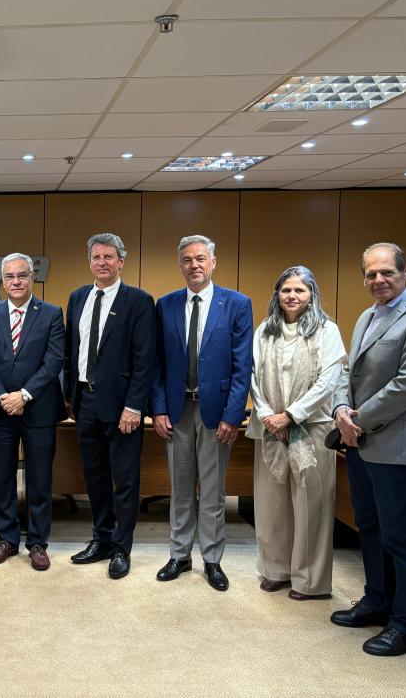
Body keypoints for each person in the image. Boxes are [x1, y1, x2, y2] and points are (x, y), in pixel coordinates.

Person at [330, 242, 406, 656]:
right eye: (370, 274)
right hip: (360, 443)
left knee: (401, 538)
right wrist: (342, 408)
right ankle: (377, 601)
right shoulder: (367, 315)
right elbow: (349, 370)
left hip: (398, 448)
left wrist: (356, 419)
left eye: (386, 273)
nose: (378, 280)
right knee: (370, 528)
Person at [151, 234, 252, 592]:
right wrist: (158, 408)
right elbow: (158, 362)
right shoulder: (165, 304)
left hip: (216, 411)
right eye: (187, 260)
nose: (194, 265)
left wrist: (232, 415)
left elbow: (243, 366)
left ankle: (212, 559)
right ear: (180, 265)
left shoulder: (237, 304)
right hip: (177, 410)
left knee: (212, 490)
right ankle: (179, 555)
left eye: (200, 259)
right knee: (180, 489)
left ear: (213, 262)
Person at [246, 266, 346, 601]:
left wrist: (291, 415)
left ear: (311, 295)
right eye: (286, 290)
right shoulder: (265, 331)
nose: (292, 296)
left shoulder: (326, 330)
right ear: (277, 294)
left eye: (299, 291)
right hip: (271, 428)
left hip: (312, 427)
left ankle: (310, 581)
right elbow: (253, 378)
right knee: (271, 504)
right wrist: (267, 415)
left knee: (310, 507)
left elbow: (329, 380)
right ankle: (275, 570)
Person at [64, 234, 155, 580]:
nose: (102, 262)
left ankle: (121, 548)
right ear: (89, 261)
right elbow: (73, 350)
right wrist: (70, 397)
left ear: (121, 261)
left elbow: (145, 360)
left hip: (122, 407)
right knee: (95, 477)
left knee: (125, 481)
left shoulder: (139, 301)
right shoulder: (78, 298)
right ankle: (101, 539)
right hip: (85, 402)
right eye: (96, 256)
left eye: (109, 256)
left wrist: (135, 406)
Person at [0, 252, 65, 571]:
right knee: (3, 478)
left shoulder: (52, 313)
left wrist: (24, 395)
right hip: (1, 412)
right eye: (10, 276)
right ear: (2, 281)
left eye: (22, 275)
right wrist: (2, 396)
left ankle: (38, 543)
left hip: (39, 408)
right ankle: (7, 539)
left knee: (40, 479)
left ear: (32, 277)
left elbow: (54, 361)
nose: (16, 281)